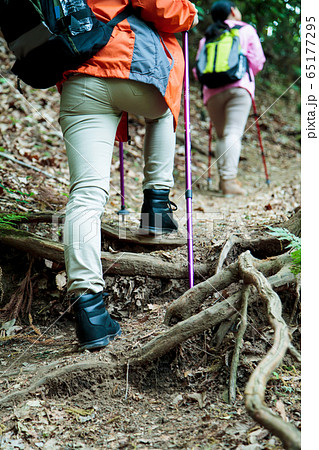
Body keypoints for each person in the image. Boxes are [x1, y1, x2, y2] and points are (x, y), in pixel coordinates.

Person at [58, 0, 198, 350]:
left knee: (86, 195)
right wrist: (190, 12)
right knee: (162, 111)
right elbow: (164, 9)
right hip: (130, 65)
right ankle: (156, 208)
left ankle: (90, 315)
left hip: (78, 78)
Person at [194, 0, 265, 196]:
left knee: (222, 136)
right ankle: (228, 181)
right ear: (233, 11)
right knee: (233, 132)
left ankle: (223, 180)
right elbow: (258, 61)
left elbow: (197, 70)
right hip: (239, 88)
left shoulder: (207, 37)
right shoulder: (246, 30)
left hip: (212, 92)